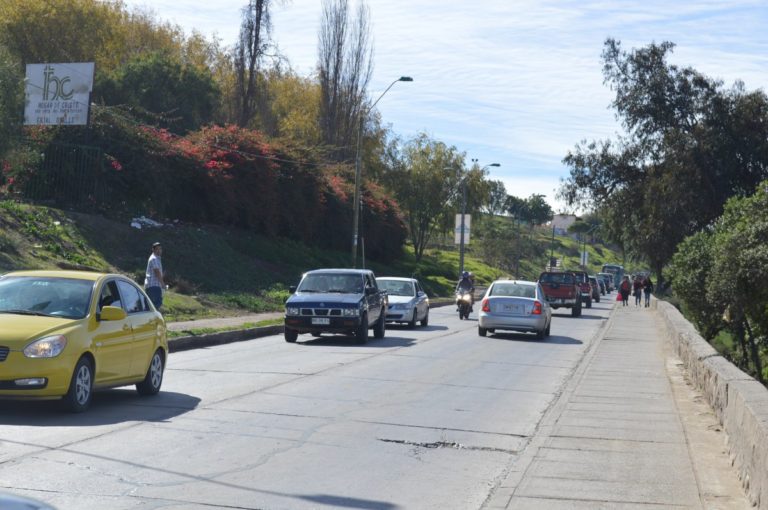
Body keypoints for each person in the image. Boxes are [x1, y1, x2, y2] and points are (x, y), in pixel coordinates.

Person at [145, 242, 165, 309]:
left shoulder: (156, 258)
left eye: (160, 249)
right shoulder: (154, 258)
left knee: (152, 307)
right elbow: (157, 271)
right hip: (153, 286)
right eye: (157, 249)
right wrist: (162, 284)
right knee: (155, 306)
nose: (159, 250)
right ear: (153, 250)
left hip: (153, 286)